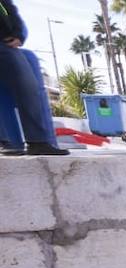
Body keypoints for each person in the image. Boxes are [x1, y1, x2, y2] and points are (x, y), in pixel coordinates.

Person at [0, 0, 67, 156]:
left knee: (27, 82)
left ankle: (37, 142)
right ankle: (4, 141)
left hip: (4, 44)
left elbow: (11, 12)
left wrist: (17, 34)